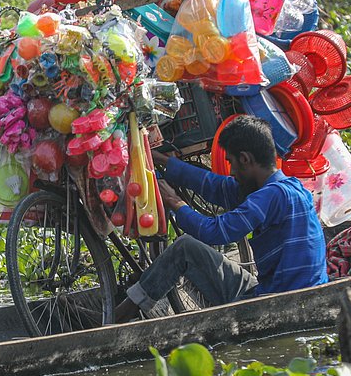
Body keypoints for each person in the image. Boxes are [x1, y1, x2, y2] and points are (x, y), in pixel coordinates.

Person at [114, 114, 327, 322]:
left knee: (184, 248)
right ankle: (127, 309)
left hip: (279, 306)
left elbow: (215, 232)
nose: (231, 172)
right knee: (187, 247)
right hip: (277, 292)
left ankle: (118, 318)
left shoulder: (272, 195)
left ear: (245, 159)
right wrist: (163, 161)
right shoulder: (288, 187)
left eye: (232, 163)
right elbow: (217, 187)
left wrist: (174, 201)